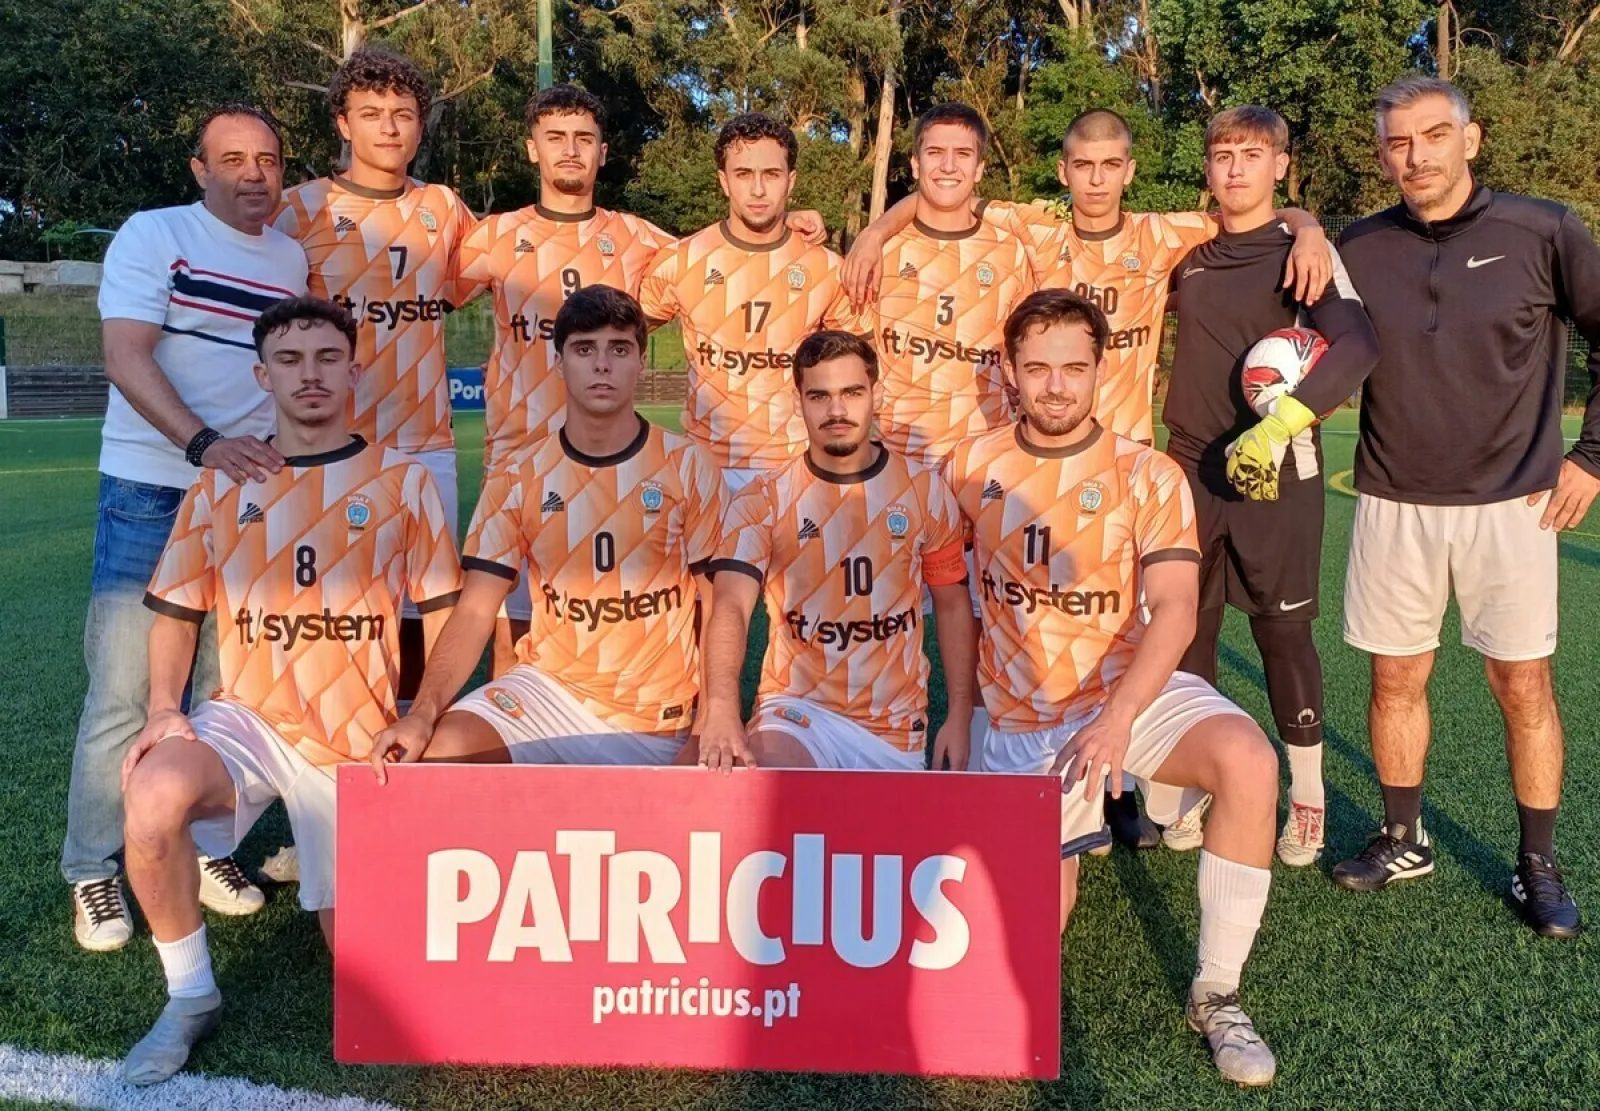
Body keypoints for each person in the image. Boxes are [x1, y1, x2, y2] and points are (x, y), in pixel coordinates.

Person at [844, 106, 1334, 851]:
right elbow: (943, 193)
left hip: (1125, 474)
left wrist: (1309, 226)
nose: (1097, 180)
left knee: (1121, 631)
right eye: (1084, 166)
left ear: (1129, 171)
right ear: (1064, 172)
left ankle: (1122, 790)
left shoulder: (1162, 234)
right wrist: (877, 229)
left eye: (1112, 166)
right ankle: (988, 768)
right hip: (1032, 461)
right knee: (1011, 621)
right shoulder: (1035, 230)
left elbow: (1251, 207)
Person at [117, 296, 462, 1085]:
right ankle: (190, 995)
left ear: (353, 368)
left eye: (326, 358)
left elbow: (443, 616)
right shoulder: (222, 486)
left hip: (355, 736)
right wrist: (165, 709)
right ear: (262, 374)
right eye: (291, 360)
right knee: (151, 795)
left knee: (380, 985)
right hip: (250, 719)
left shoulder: (403, 482)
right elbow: (176, 610)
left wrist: (423, 711)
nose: (310, 375)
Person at [947, 289, 1282, 1086]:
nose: (1055, 386)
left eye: (1073, 367)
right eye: (1037, 368)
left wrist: (1120, 718)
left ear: (1104, 368)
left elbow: (1172, 608)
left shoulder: (1147, 473)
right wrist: (959, 711)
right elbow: (947, 595)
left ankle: (1217, 990)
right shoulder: (968, 466)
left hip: (1128, 693)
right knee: (1031, 936)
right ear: (1010, 371)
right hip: (1025, 717)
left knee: (1247, 757)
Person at [1332, 77, 1600, 937]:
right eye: (1398, 143)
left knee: (1523, 685)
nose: (1416, 157)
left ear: (1470, 138)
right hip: (1392, 499)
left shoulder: (1546, 229)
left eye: (1433, 137)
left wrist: (1592, 458)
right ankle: (1403, 836)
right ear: (1382, 154)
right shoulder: (1360, 244)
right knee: (1394, 678)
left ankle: (1537, 863)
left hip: (1514, 502)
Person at [63, 104, 308, 952]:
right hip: (153, 487)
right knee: (127, 693)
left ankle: (209, 847)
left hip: (240, 503)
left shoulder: (290, 256)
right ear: (199, 169)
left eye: (269, 160)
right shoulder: (152, 233)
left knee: (224, 693)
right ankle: (93, 869)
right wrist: (203, 444)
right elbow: (126, 355)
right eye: (233, 158)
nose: (253, 174)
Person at [368, 286, 723, 772]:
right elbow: (475, 610)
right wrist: (424, 714)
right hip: (548, 692)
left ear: (641, 362)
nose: (602, 365)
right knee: (441, 753)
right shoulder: (518, 473)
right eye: (584, 349)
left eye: (619, 350)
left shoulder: (688, 465)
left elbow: (717, 602)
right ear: (559, 363)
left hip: (653, 717)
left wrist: (712, 720)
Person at [1161, 106, 1378, 866]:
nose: (1234, 168)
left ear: (1281, 164)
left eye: (1252, 154)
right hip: (1189, 466)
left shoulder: (1307, 253)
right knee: (1190, 627)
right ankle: (1193, 786)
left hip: (1275, 467)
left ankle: (1308, 800)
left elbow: (1357, 347)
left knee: (1282, 634)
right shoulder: (1184, 251)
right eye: (1221, 153)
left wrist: (1281, 424)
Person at [272, 46, 476, 695]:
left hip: (425, 443)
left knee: (426, 605)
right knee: (334, 601)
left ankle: (416, 739)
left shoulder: (445, 209)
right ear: (342, 123)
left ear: (421, 125)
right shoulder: (296, 212)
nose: (389, 127)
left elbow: (530, 258)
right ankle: (330, 739)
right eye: (371, 112)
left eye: (404, 113)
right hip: (328, 448)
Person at [694, 330, 977, 773]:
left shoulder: (925, 492)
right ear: (797, 401)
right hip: (797, 710)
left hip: (893, 726)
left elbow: (953, 606)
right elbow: (729, 603)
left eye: (852, 393)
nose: (837, 410)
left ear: (876, 394)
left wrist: (959, 716)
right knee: (769, 775)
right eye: (820, 396)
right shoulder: (763, 499)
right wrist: (721, 708)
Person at [639, 114, 868, 496]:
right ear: (724, 181)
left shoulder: (826, 269)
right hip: (705, 471)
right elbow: (619, 341)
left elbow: (866, 368)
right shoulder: (680, 261)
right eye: (744, 174)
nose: (758, 189)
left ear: (790, 182)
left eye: (772, 175)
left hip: (798, 471)